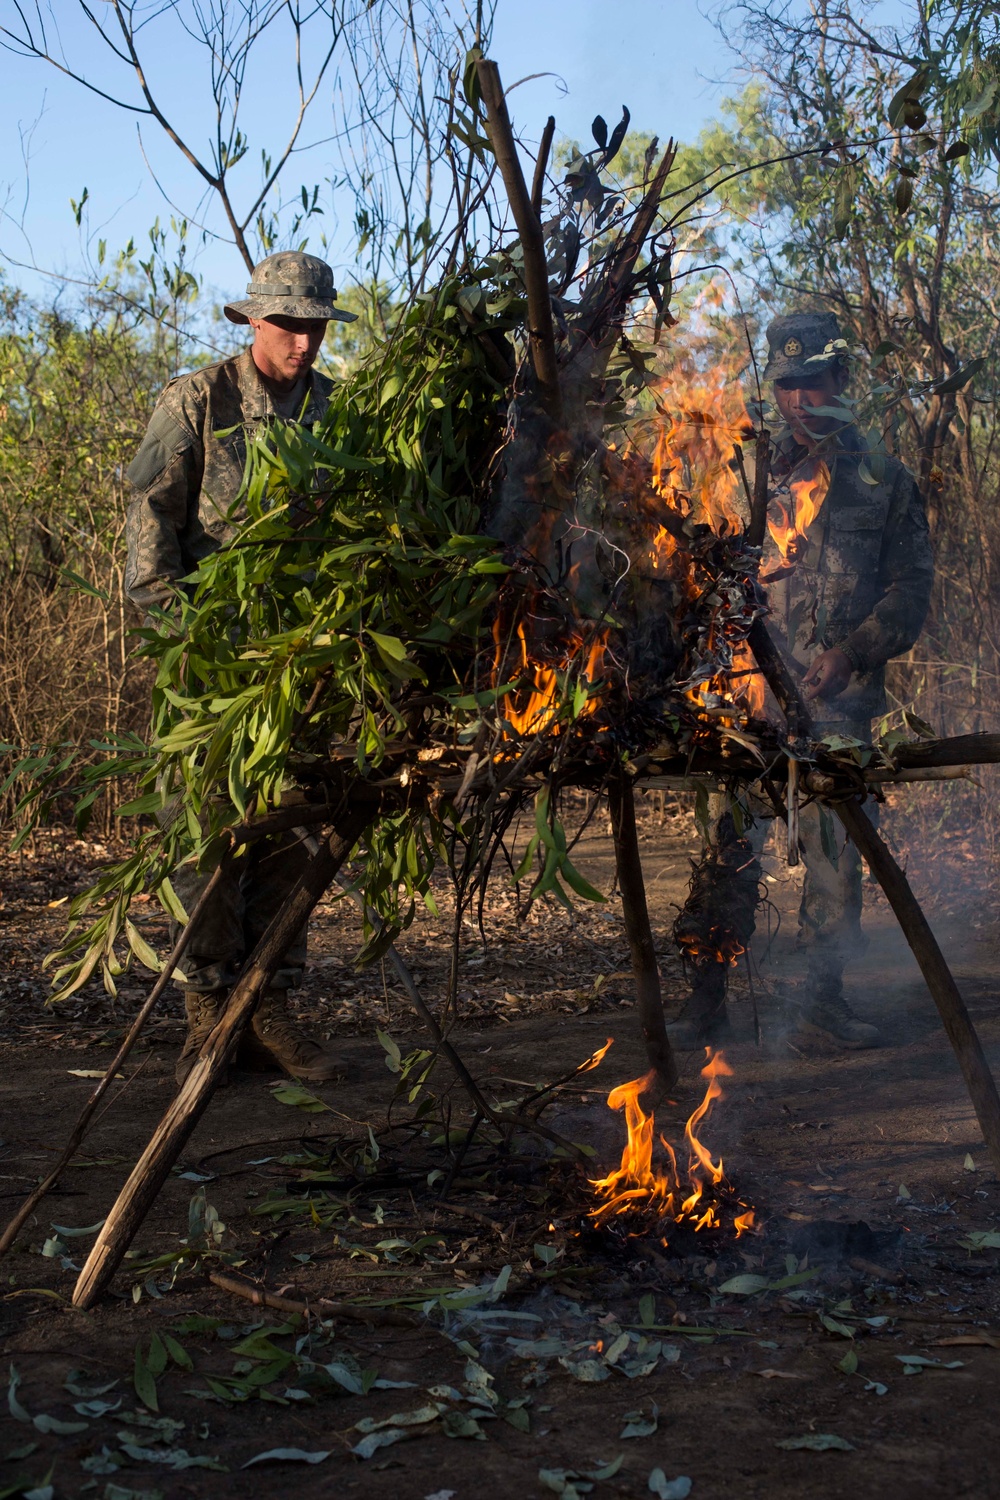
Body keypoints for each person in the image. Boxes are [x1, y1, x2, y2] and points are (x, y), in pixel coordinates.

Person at [669, 311, 934, 1050]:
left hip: (838, 707)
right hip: (749, 702)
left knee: (834, 861)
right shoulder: (750, 475)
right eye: (785, 386)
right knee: (728, 851)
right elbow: (709, 577)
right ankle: (706, 999)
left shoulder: (885, 480)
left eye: (811, 382)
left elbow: (910, 592)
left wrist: (851, 651)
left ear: (841, 380)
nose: (798, 401)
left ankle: (821, 1003)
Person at [124, 251, 358, 1085]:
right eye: (289, 324)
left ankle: (272, 1008)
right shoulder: (197, 399)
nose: (303, 342)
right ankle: (208, 1015)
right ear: (253, 321)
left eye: (316, 326)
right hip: (209, 664)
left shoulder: (336, 411)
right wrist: (184, 641)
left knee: (294, 832)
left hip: (304, 662)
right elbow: (151, 528)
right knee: (209, 834)